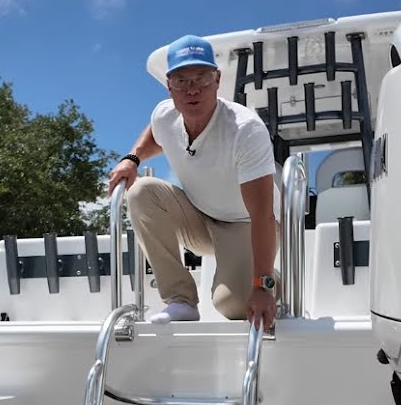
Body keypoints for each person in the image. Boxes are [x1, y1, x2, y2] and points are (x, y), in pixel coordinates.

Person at [106, 34, 280, 331]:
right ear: (169, 86)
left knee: (234, 305)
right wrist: (132, 159)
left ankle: (272, 280)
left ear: (217, 80)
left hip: (247, 225)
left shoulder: (245, 130)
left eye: (202, 77)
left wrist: (261, 287)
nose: (193, 89)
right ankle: (181, 300)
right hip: (200, 218)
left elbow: (262, 215)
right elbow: (155, 134)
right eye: (182, 81)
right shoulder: (165, 115)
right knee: (142, 192)